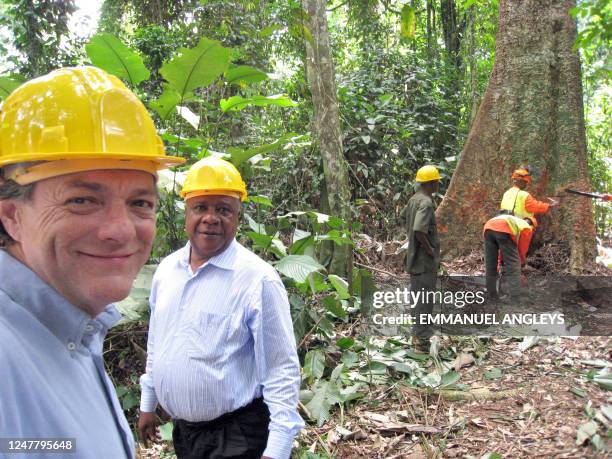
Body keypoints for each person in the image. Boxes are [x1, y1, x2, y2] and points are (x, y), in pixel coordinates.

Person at [0, 67, 185, 459]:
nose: (120, 230)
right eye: (82, 200)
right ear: (11, 217)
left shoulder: (73, 332)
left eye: (140, 203)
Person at [138, 157, 303, 459]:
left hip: (238, 436)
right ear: (186, 212)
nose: (211, 218)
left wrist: (277, 449)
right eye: (201, 207)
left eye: (223, 209)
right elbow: (158, 341)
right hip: (185, 434)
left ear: (238, 216)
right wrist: (148, 401)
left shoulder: (257, 279)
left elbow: (281, 368)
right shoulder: (166, 271)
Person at [405, 165, 441, 353]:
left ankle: (417, 337)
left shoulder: (413, 199)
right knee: (425, 302)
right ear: (432, 183)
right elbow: (419, 230)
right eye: (437, 182)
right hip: (423, 262)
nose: (438, 185)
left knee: (418, 299)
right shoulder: (426, 202)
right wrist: (430, 251)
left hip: (414, 260)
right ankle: (421, 343)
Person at [483, 214, 537, 301]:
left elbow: (502, 248)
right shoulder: (527, 227)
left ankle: (491, 293)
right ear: (532, 226)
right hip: (503, 228)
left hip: (488, 227)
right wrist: (521, 262)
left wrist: (500, 263)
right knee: (514, 264)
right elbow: (522, 248)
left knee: (490, 263)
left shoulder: (515, 222)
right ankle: (515, 297)